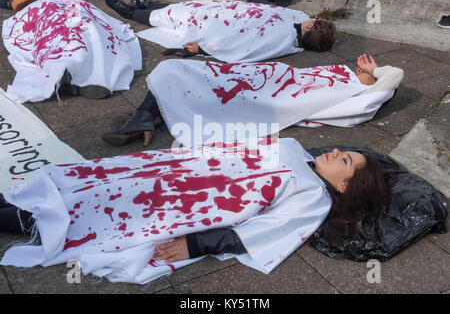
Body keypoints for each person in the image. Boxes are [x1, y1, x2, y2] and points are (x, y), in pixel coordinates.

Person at [0, 138, 390, 284]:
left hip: (184, 203)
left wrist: (197, 244)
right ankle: (21, 207)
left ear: (343, 186)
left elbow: (265, 230)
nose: (337, 152)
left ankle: (22, 218)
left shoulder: (313, 199)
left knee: (105, 209)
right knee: (100, 182)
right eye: (345, 151)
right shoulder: (301, 154)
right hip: (181, 171)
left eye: (345, 161)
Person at [101, 54, 404, 147]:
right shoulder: (343, 78)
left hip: (268, 94)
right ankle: (149, 117)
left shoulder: (359, 93)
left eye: (366, 70)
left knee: (179, 71)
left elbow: (395, 74)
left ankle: (146, 117)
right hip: (268, 79)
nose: (359, 66)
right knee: (186, 71)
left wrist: (373, 71)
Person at [105, 0, 337, 63]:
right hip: (228, 12)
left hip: (218, 26)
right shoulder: (298, 18)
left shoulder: (280, 42)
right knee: (191, 7)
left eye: (315, 21)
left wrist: (204, 49)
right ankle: (147, 3)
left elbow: (243, 48)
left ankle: (133, 13)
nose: (312, 18)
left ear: (310, 26)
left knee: (182, 19)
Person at [1, 0, 142, 103]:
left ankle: (63, 69)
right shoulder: (42, 5)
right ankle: (84, 73)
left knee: (61, 38)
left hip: (63, 13)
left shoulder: (39, 7)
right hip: (67, 14)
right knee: (87, 34)